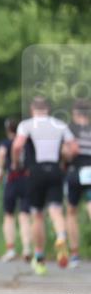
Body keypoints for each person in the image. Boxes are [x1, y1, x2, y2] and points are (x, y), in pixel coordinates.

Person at [12, 96, 77, 274]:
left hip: (35, 172)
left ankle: (39, 256)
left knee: (37, 215)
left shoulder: (27, 125)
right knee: (56, 210)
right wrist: (65, 161)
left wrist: (16, 163)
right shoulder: (59, 124)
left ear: (33, 109)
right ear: (48, 109)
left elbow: (17, 146)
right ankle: (61, 236)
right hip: (55, 170)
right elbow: (74, 149)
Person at [0, 119, 32, 262]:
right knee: (25, 215)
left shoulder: (6, 143)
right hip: (27, 180)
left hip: (12, 180)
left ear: (8, 129)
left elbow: (1, 154)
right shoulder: (27, 143)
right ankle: (27, 248)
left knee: (9, 215)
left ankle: (10, 249)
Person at [64, 99, 91, 268]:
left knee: (71, 211)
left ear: (75, 113)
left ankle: (74, 254)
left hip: (75, 170)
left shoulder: (70, 129)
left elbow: (69, 152)